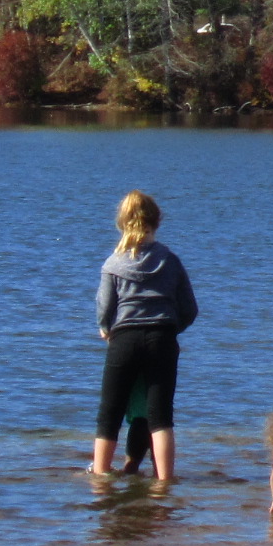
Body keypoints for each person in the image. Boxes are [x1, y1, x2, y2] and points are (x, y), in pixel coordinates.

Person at [89, 191, 199, 482]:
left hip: (124, 338)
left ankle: (100, 477)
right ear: (157, 221)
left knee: (109, 414)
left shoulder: (113, 263)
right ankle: (164, 481)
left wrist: (105, 328)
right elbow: (189, 308)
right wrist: (170, 328)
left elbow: (105, 306)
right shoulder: (170, 261)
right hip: (161, 338)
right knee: (160, 416)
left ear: (122, 223)